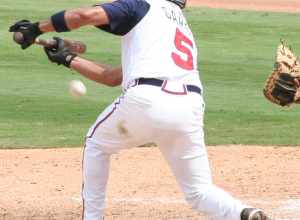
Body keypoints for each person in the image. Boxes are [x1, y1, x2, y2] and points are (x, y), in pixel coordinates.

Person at [9, 0, 272, 219]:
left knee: (97, 144)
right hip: (188, 108)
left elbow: (84, 15)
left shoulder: (142, 6)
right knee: (199, 192)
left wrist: (36, 27)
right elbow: (114, 77)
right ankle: (244, 213)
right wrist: (69, 58)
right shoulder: (177, 27)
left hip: (148, 100)